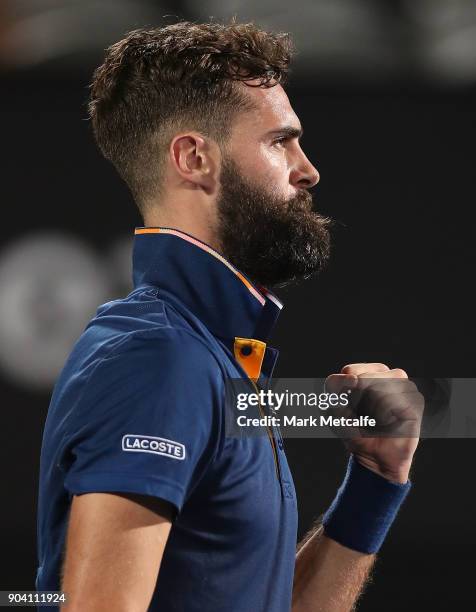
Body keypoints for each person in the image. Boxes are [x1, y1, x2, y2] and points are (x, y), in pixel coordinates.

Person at [36, 20, 422, 612]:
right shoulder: (159, 358)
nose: (307, 169)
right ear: (195, 158)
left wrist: (375, 481)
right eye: (280, 141)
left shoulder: (210, 360)